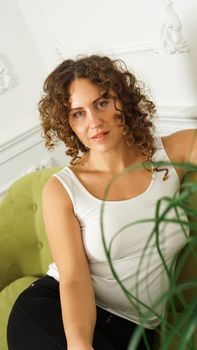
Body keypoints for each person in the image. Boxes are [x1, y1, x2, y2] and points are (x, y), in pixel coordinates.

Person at [7, 54, 197, 350]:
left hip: (135, 329)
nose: (94, 122)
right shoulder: (63, 189)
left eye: (101, 103)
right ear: (68, 122)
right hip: (54, 311)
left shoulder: (172, 154)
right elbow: (73, 279)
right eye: (78, 113)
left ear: (123, 101)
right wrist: (79, 345)